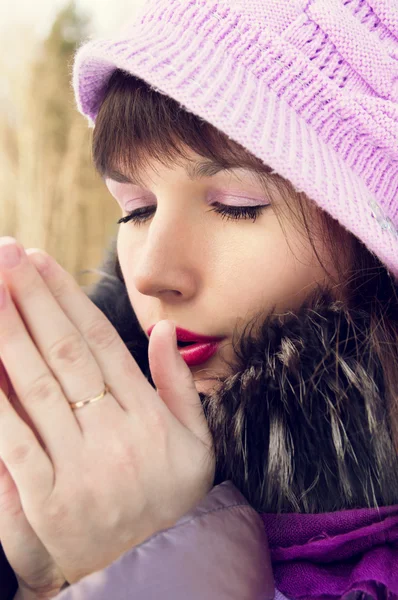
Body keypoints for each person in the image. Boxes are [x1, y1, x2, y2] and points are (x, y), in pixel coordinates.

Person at [1, 0, 398, 598]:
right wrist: (51, 582)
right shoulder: (49, 464)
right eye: (136, 210)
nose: (153, 274)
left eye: (235, 205)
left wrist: (147, 557)